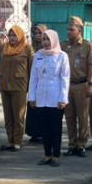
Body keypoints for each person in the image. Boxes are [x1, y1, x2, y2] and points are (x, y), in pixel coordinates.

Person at [28, 28, 70, 166]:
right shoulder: (38, 55)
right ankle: (47, 155)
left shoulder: (62, 56)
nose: (46, 42)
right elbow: (33, 78)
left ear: (54, 40)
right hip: (41, 98)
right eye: (44, 39)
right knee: (44, 128)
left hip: (55, 98)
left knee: (55, 128)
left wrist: (63, 99)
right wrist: (32, 97)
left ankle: (56, 155)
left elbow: (65, 78)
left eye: (48, 39)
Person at [0, 23, 34, 151]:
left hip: (19, 86)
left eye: (14, 35)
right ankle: (10, 141)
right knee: (8, 116)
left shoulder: (27, 48)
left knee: (18, 115)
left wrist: (31, 87)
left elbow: (32, 68)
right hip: (5, 85)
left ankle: (17, 142)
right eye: (10, 35)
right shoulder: (4, 47)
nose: (12, 37)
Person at [63, 16, 92, 155]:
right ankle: (72, 144)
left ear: (79, 30)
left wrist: (90, 84)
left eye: (72, 29)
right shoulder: (64, 45)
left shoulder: (87, 46)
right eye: (68, 29)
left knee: (82, 117)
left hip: (82, 84)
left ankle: (81, 144)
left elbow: (91, 66)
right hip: (67, 85)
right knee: (69, 116)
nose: (69, 32)